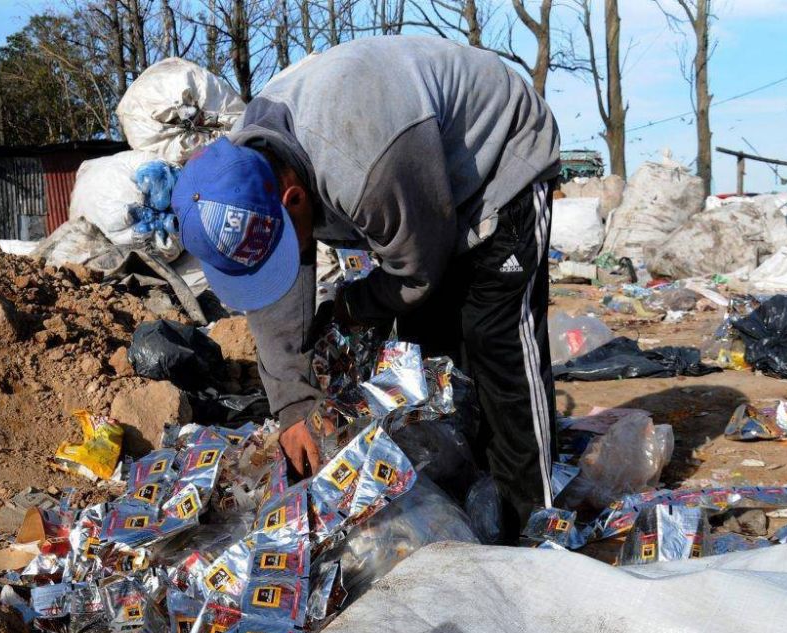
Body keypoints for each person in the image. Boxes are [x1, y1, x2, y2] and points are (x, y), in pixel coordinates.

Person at [171, 35, 560, 540]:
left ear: (292, 198)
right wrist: (293, 405)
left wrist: (355, 304)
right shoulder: (245, 167)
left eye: (283, 242)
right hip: (413, 177)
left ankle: (535, 525)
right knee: (431, 358)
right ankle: (466, 504)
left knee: (495, 341)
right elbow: (275, 300)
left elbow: (418, 271)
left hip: (499, 157)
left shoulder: (364, 170)